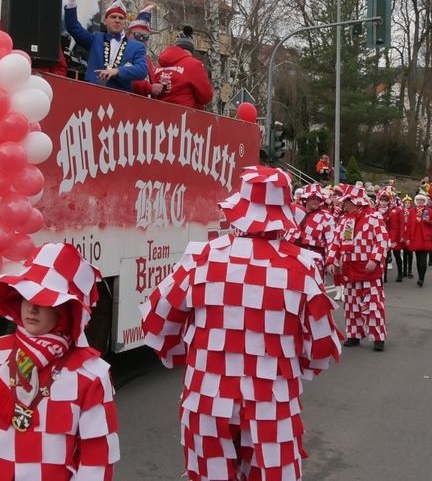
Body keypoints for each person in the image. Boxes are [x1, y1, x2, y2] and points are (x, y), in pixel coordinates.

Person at [140, 166, 341, 481]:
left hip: (207, 395)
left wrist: (186, 355)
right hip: (272, 399)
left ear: (239, 211)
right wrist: (292, 367)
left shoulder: (201, 258)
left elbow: (157, 320)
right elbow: (320, 346)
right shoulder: (303, 267)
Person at [0, 243, 119, 479]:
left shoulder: (90, 373)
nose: (32, 307)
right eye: (27, 295)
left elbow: (96, 459)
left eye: (45, 300)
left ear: (65, 310)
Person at [63, 0, 149, 92]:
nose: (117, 20)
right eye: (113, 17)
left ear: (125, 22)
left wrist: (117, 71)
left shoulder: (136, 47)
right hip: (92, 94)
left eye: (121, 18)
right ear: (105, 21)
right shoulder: (96, 39)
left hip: (119, 99)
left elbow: (142, 70)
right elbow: (73, 27)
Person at [331, 185, 389, 349]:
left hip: (369, 268)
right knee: (351, 304)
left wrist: (375, 259)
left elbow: (382, 240)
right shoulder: (345, 219)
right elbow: (336, 242)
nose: (344, 205)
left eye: (346, 201)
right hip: (350, 267)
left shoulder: (374, 217)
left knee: (373, 304)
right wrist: (332, 261)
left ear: (353, 201)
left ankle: (378, 338)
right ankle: (354, 334)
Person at [149, 36, 213, 110]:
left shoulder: (158, 67)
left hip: (158, 114)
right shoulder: (194, 64)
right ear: (191, 51)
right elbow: (206, 97)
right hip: (183, 116)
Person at [406, 193, 432, 287]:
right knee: (418, 259)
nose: (420, 202)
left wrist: (428, 221)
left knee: (423, 260)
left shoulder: (429, 211)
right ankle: (420, 276)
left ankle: (421, 279)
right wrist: (407, 238)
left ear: (425, 202)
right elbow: (408, 225)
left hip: (425, 237)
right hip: (415, 237)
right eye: (418, 200)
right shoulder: (412, 211)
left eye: (422, 200)